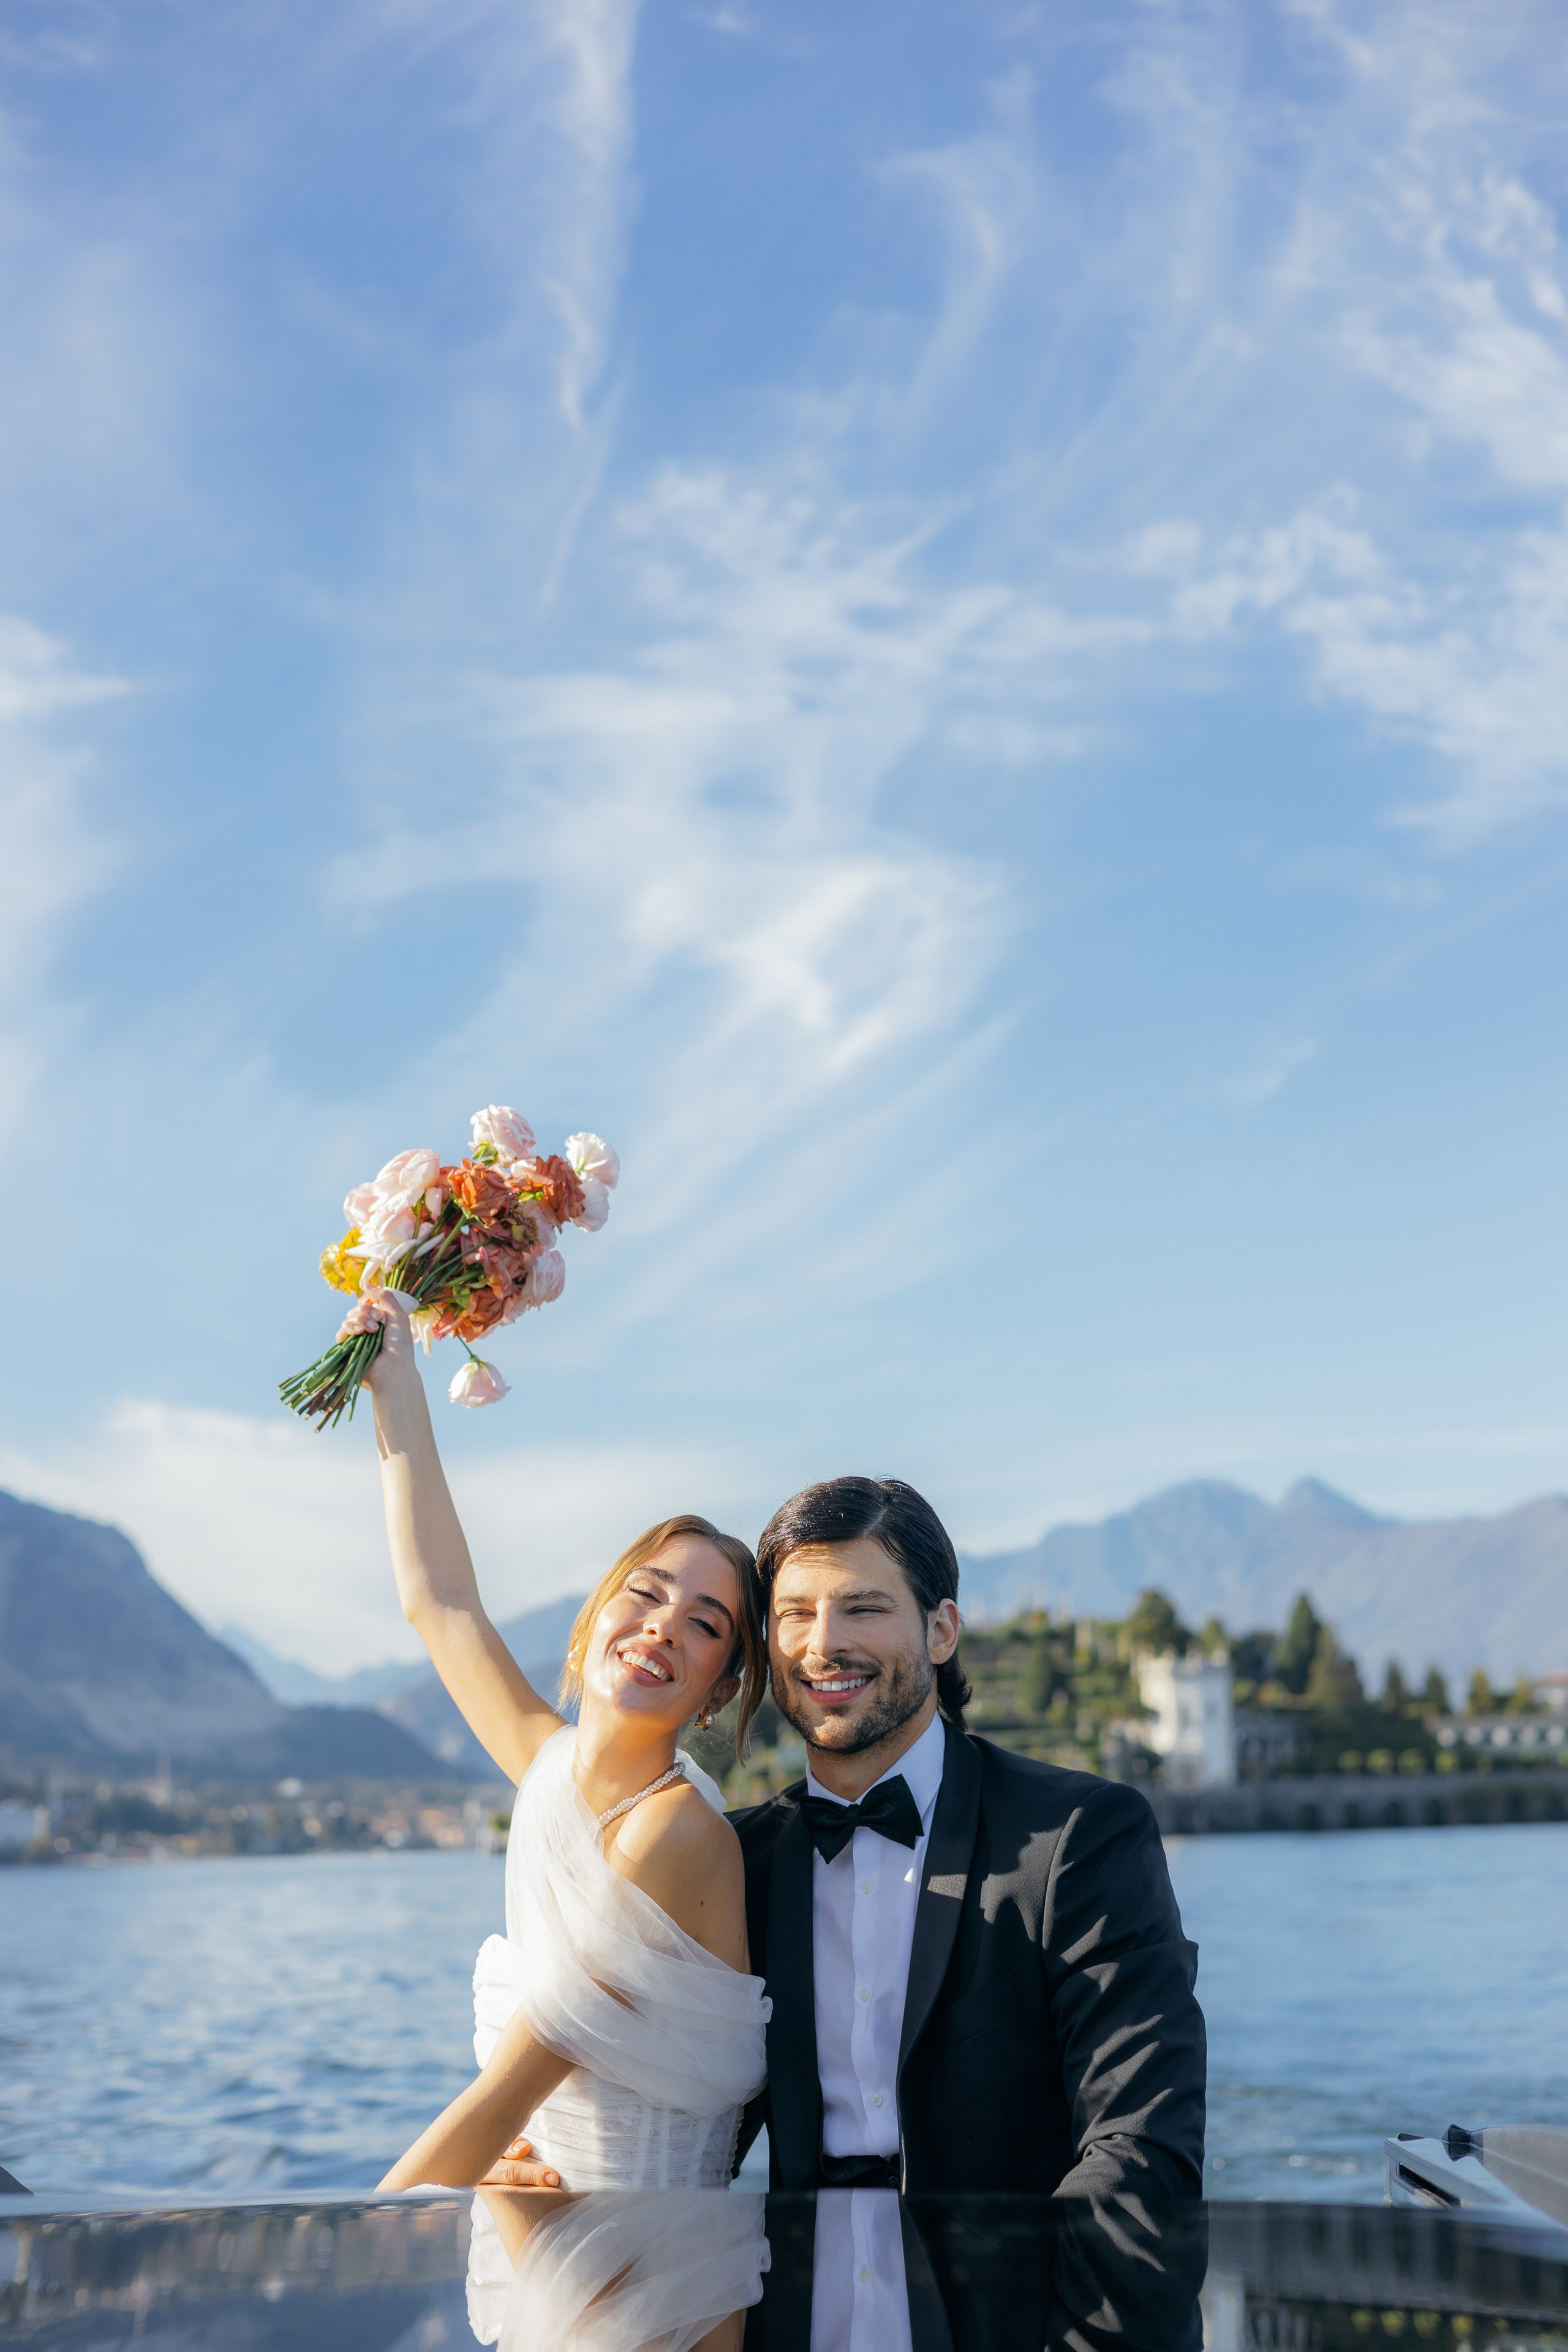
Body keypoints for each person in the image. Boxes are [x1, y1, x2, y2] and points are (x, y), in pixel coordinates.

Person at [341, 1286, 770, 2194]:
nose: (662, 1626)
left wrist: (346, 2247)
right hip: (540, 2237)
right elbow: (439, 1601)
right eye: (646, 1593)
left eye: (704, 1624)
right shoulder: (550, 1771)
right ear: (596, 1614)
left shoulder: (676, 1832)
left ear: (721, 1688)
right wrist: (395, 1382)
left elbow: (510, 2092)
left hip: (648, 2261)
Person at [726, 1475, 1207, 2200]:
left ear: (941, 1630)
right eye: (795, 1614)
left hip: (1025, 2273)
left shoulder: (1081, 1836)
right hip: (795, 2272)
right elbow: (688, 2129)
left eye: (863, 1608)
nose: (823, 1643)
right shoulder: (736, 1864)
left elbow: (1140, 2147)